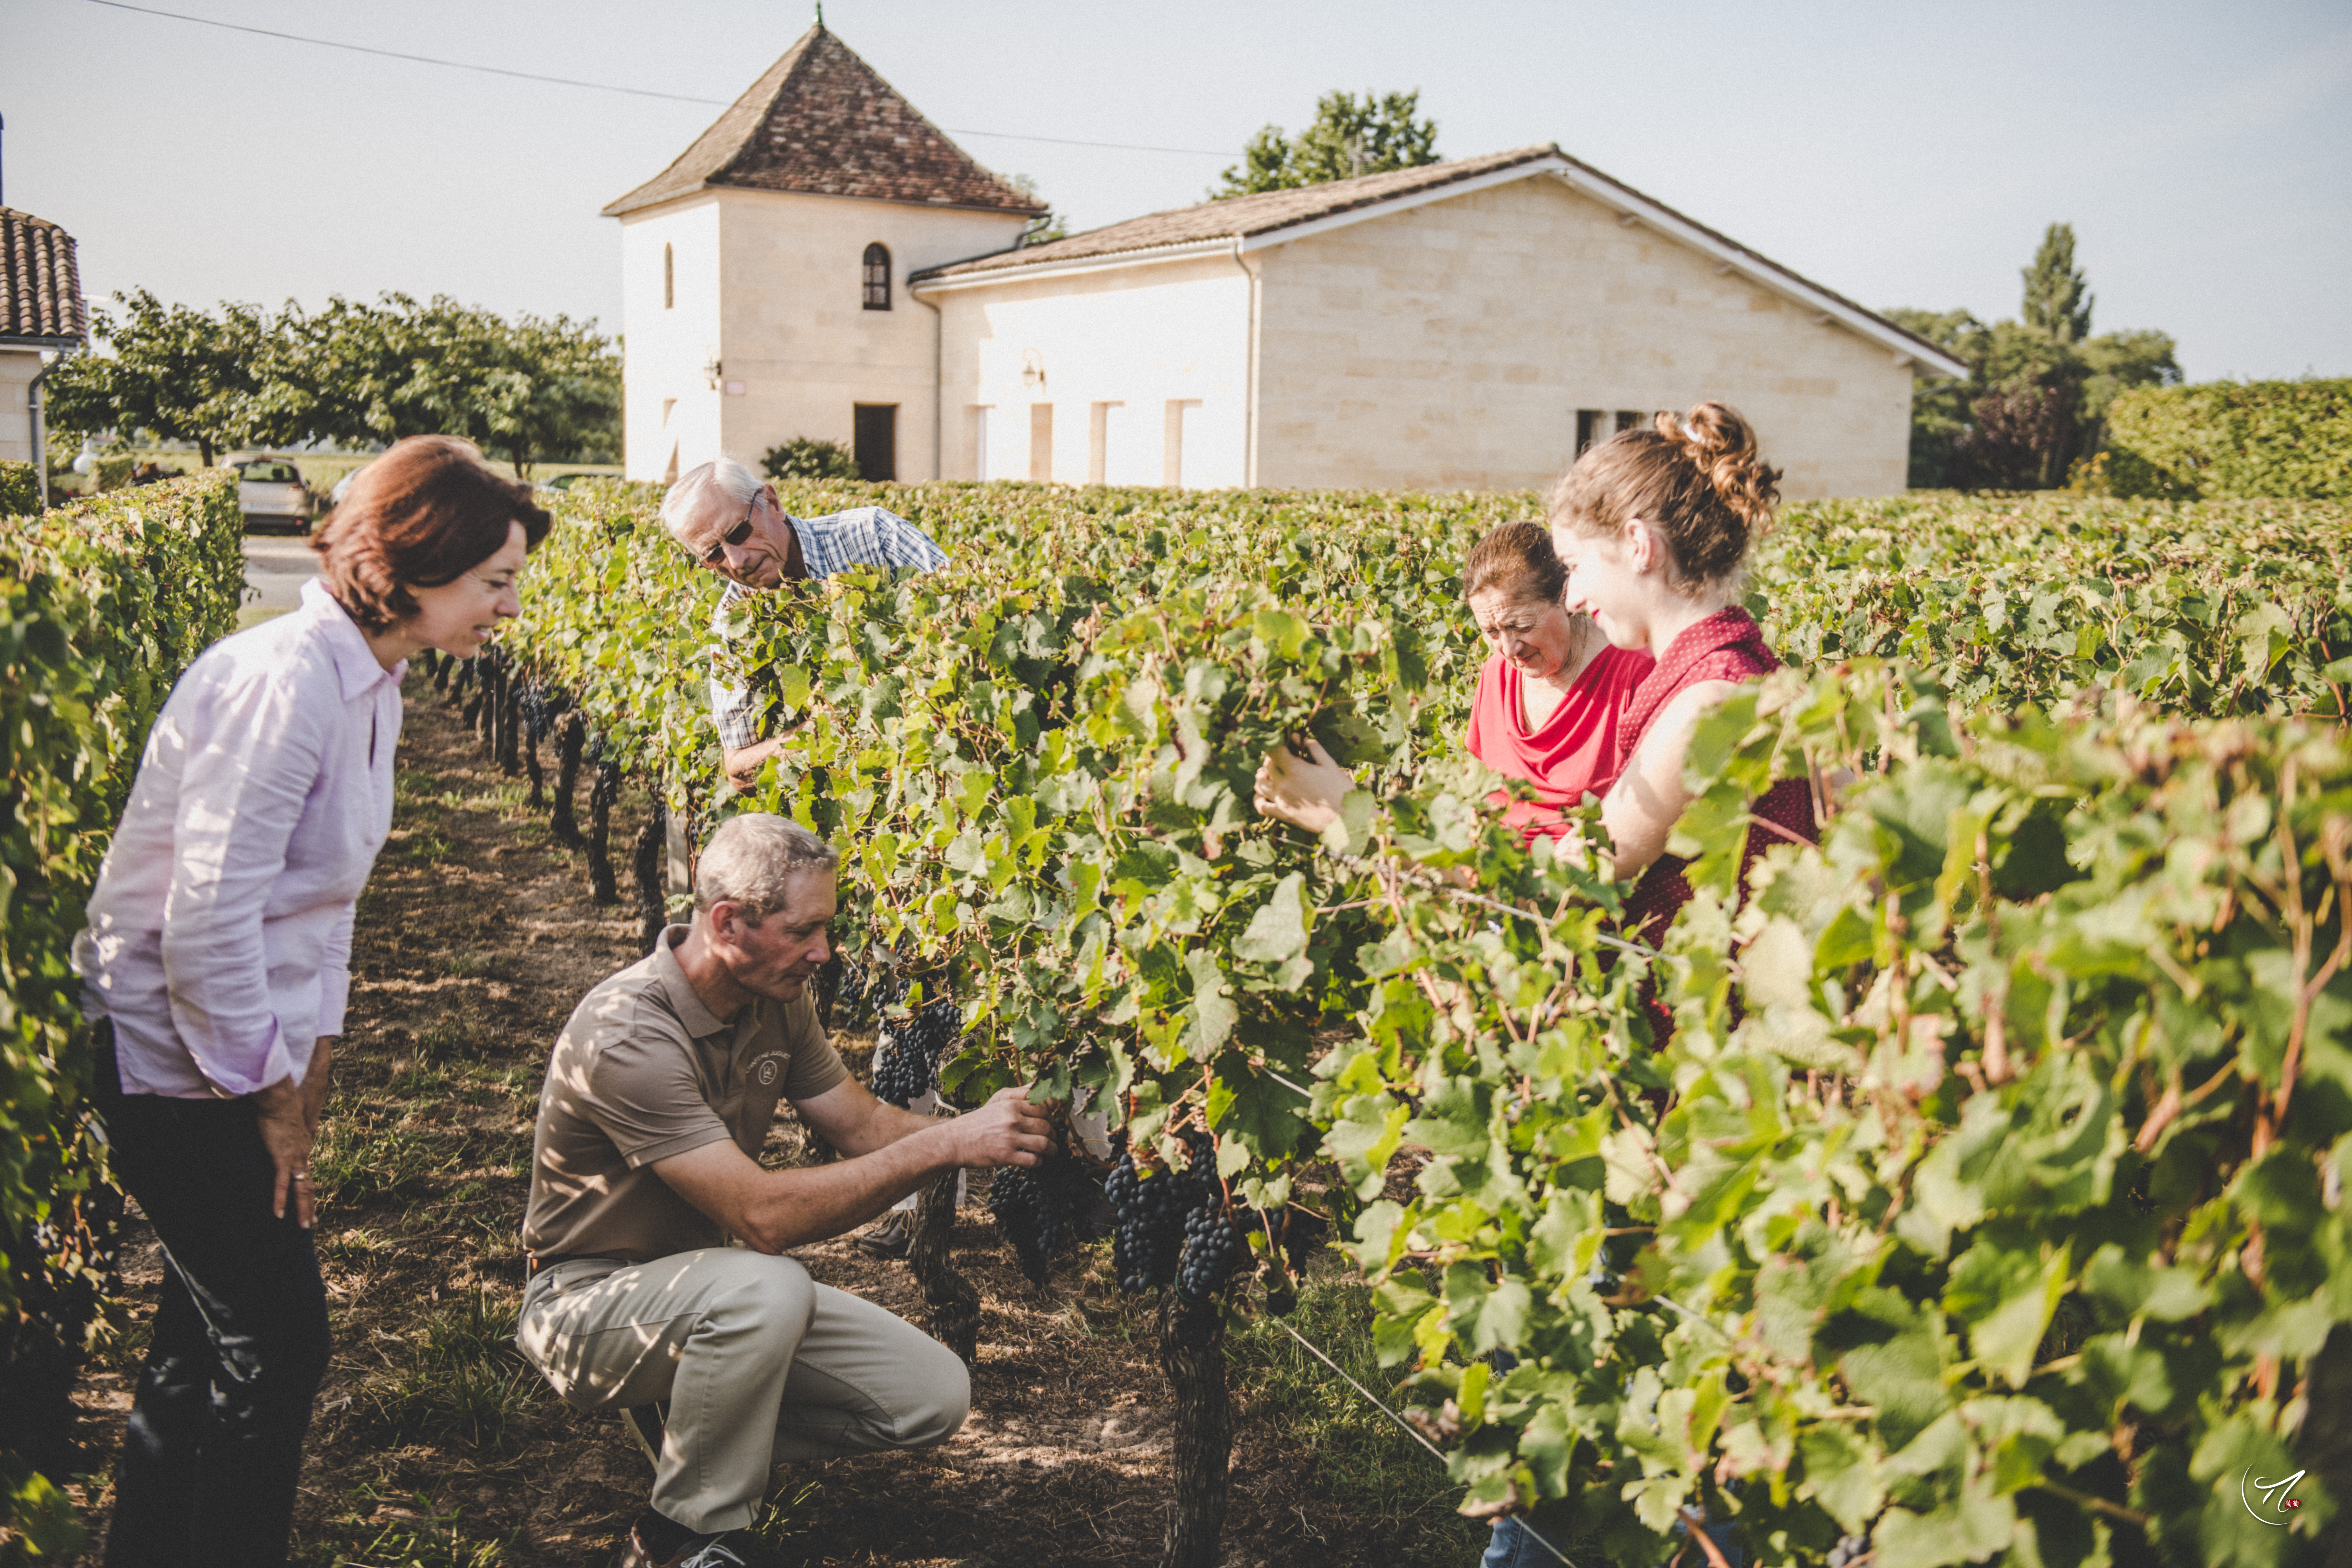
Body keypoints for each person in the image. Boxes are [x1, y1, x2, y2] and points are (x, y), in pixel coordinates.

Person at [74, 435, 548, 1567]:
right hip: (170, 1059)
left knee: (205, 1336)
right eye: (494, 581)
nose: (510, 607)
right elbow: (205, 923)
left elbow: (328, 896)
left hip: (240, 1053)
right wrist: (272, 1094)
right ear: (413, 566)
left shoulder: (371, 680)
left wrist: (317, 1050)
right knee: (279, 1345)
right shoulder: (284, 685)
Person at [514, 813, 1054, 1568]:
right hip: (586, 1305)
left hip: (707, 1297)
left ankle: (698, 1421)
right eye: (804, 931)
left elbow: (862, 1126)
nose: (824, 952)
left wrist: (982, 1129)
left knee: (932, 1395)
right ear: (728, 923)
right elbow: (762, 1217)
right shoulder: (627, 1033)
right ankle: (678, 1538)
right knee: (769, 1284)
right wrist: (950, 1145)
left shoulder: (774, 1001)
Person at [1546, 400, 1815, 958]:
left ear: (1639, 546)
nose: (1571, 597)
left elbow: (1589, 865)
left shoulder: (1707, 703)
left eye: (1574, 565)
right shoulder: (1743, 665)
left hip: (1698, 996)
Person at [1252, 522, 1651, 838]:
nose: (1509, 648)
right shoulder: (1497, 675)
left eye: (1521, 625)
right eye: (1491, 632)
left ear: (1566, 597)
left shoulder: (1635, 674)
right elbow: (1477, 795)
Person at [661, 459, 948, 791]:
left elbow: (962, 613)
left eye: (738, 533)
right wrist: (821, 732)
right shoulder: (732, 620)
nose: (737, 561)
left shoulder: (872, 534)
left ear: (773, 502)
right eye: (714, 555)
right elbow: (738, 769)